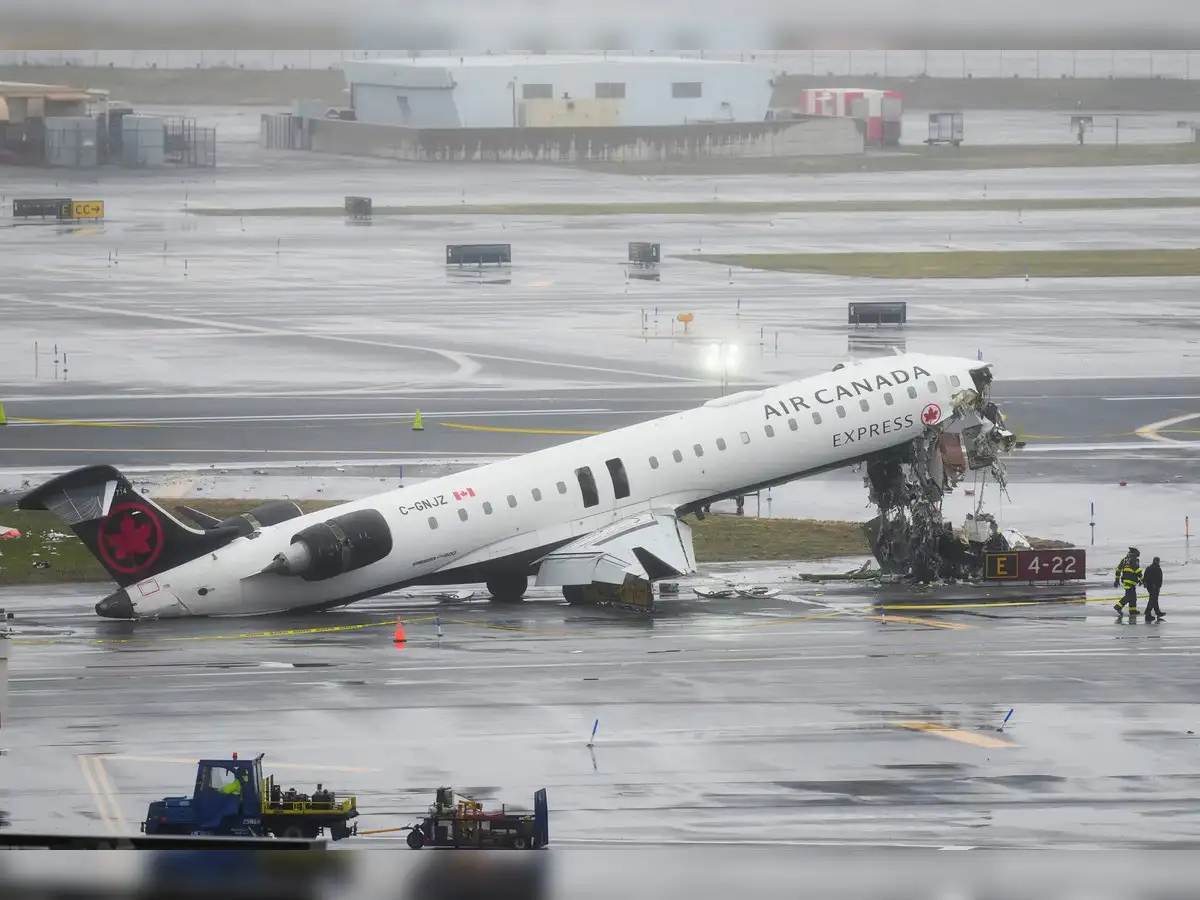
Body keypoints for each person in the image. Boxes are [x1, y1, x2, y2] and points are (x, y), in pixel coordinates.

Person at [1114, 548, 1142, 617]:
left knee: (1133, 597)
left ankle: (1132, 610)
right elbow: (1137, 570)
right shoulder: (1134, 559)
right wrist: (1142, 579)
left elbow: (1118, 570)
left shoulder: (1124, 559)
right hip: (1131, 581)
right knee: (1129, 596)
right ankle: (1118, 606)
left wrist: (1117, 580)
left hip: (1127, 580)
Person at [1143, 557, 1164, 622]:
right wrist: (1158, 587)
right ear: (1158, 561)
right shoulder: (1158, 569)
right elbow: (1159, 579)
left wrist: (1145, 584)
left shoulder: (1148, 568)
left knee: (1154, 599)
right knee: (1153, 599)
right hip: (1154, 587)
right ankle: (1147, 612)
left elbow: (1145, 576)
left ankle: (1157, 612)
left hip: (1149, 586)